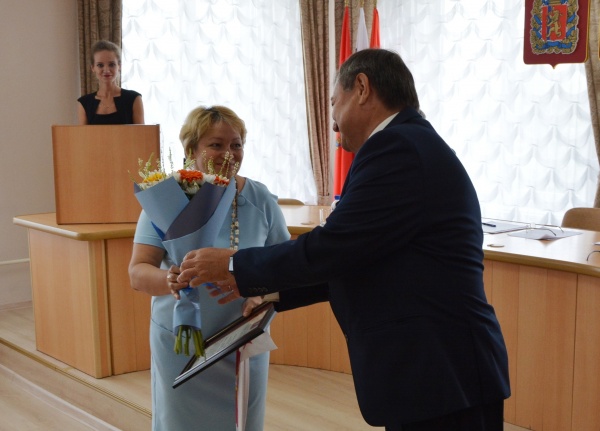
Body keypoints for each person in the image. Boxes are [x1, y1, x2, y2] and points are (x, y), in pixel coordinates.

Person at [175, 49, 511, 431]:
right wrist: (270, 293)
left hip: (440, 369)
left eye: (334, 102)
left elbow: (334, 247)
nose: (333, 122)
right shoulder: (408, 142)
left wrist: (235, 264)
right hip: (438, 372)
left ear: (362, 88)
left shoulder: (397, 148)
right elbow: (359, 256)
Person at [128, 105, 290, 431]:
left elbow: (286, 267)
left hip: (243, 340)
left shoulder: (260, 199)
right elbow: (138, 271)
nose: (228, 153)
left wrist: (262, 295)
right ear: (191, 150)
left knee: (242, 421)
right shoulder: (167, 197)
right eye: (216, 144)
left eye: (236, 144)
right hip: (181, 340)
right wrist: (170, 280)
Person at [77, 40, 144, 125]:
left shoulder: (134, 99)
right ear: (93, 68)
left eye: (111, 64)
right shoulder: (84, 103)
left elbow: (141, 133)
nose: (106, 70)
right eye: (100, 65)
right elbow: (83, 134)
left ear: (119, 66)